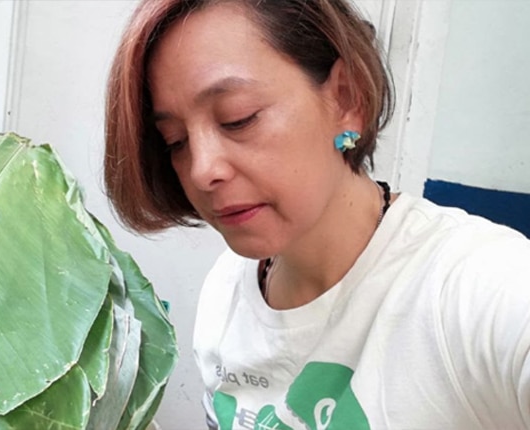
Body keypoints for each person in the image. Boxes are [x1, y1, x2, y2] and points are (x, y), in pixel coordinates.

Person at [103, 0, 530, 429]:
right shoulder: (226, 292)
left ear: (347, 98)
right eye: (175, 140)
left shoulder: (474, 288)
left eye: (238, 118)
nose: (201, 169)